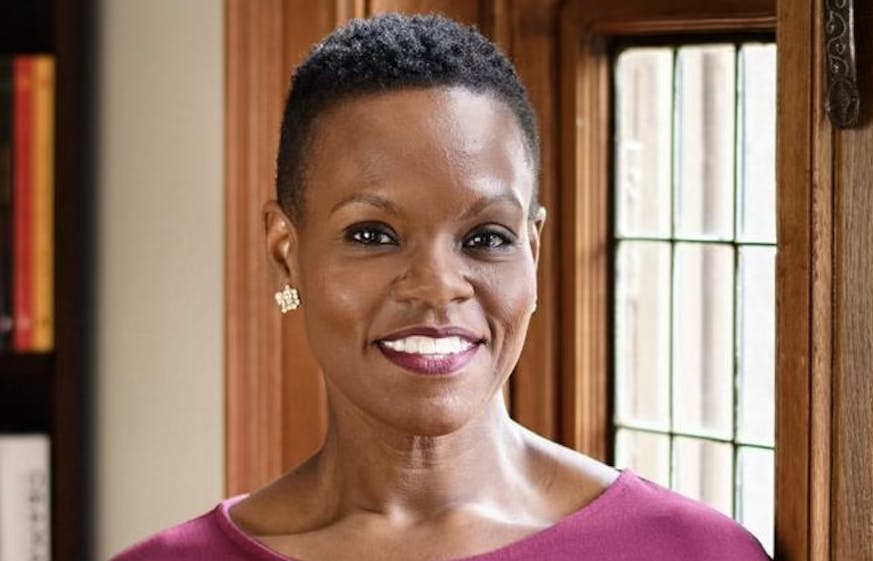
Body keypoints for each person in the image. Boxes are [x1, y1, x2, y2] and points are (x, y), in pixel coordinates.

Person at [111, 13, 769, 561]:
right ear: (287, 252)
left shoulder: (695, 551)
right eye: (372, 234)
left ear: (532, 251)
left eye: (485, 237)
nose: (436, 287)